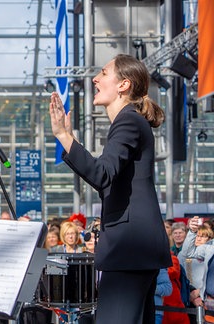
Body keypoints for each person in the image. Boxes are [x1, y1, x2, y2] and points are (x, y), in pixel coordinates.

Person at [49, 53, 172, 323]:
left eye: (103, 73)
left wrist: (63, 136)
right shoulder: (131, 122)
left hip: (130, 248)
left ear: (123, 85)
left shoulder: (128, 121)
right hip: (136, 249)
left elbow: (102, 174)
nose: (95, 78)